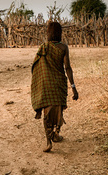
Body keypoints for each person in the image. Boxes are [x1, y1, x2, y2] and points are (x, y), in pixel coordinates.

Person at [30, 21, 79, 152]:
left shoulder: (43, 47)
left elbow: (36, 66)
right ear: (60, 33)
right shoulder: (63, 47)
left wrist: (39, 81)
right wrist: (73, 87)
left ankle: (48, 141)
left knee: (47, 112)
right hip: (58, 83)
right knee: (58, 110)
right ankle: (56, 133)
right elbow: (67, 68)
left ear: (48, 33)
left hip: (46, 84)